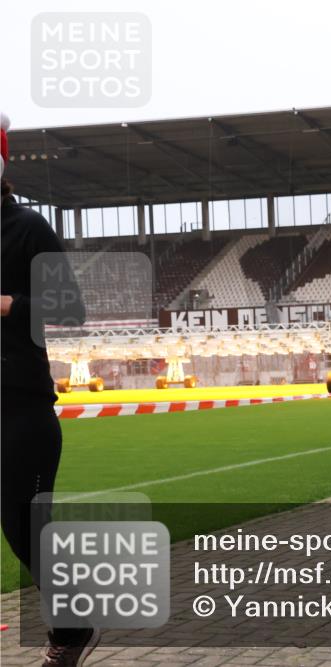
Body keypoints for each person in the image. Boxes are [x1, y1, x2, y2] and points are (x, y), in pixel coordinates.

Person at [0, 113, 96, 666]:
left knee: (25, 526)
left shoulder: (28, 229)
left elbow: (72, 308)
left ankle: (73, 627)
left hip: (21, 404)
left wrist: (11, 303)